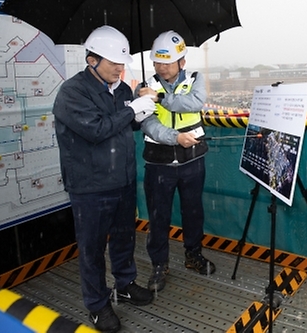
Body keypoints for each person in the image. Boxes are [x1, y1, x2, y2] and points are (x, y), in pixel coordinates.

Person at [53, 25, 157, 333]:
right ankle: (98, 305)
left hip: (122, 180)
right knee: (92, 248)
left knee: (125, 238)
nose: (119, 69)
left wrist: (138, 115)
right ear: (91, 60)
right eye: (113, 63)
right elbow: (96, 129)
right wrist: (131, 111)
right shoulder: (73, 93)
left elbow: (123, 126)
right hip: (91, 187)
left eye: (122, 63)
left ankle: (125, 284)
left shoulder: (122, 89)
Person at [136, 30, 216, 293]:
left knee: (193, 212)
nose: (161, 67)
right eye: (157, 62)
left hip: (192, 160)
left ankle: (193, 255)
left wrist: (159, 98)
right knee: (159, 217)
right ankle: (159, 264)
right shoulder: (144, 86)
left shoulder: (195, 79)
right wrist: (173, 138)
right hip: (159, 163)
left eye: (167, 62)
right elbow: (146, 122)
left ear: (182, 62)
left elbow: (193, 103)